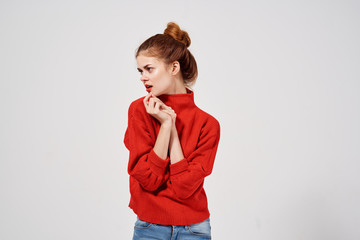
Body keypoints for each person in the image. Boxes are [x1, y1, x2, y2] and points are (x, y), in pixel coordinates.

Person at [124, 22, 221, 240]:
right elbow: (149, 179)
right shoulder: (139, 111)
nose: (142, 77)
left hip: (194, 229)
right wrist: (165, 127)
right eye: (140, 71)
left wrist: (171, 128)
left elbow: (183, 188)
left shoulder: (208, 124)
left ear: (174, 68)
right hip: (150, 227)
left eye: (149, 69)